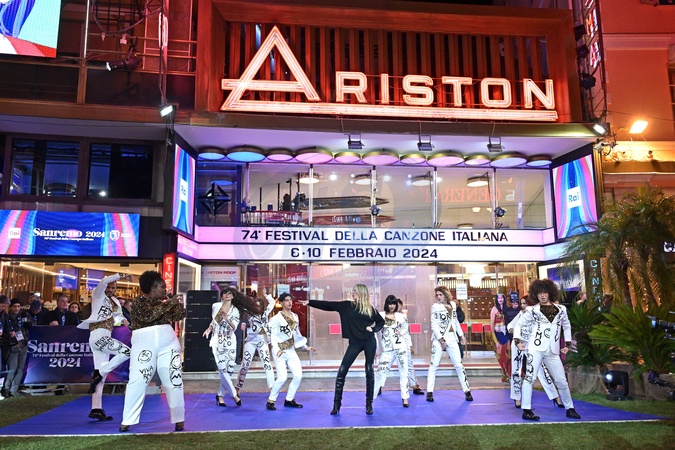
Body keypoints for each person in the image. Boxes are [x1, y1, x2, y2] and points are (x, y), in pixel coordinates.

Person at [301, 284, 384, 415]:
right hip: (355, 343)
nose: (352, 293)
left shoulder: (370, 309)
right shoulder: (347, 306)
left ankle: (369, 404)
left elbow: (381, 322)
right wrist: (310, 302)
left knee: (369, 372)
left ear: (361, 293)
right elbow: (329, 305)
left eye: (355, 291)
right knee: (342, 371)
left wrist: (373, 329)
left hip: (369, 341)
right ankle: (336, 405)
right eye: (353, 291)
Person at [120, 270, 187, 432]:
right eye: (162, 287)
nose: (165, 290)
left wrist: (174, 301)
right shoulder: (139, 302)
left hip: (168, 341)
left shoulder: (165, 302)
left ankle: (179, 418)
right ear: (152, 288)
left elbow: (180, 315)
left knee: (173, 379)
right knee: (138, 380)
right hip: (144, 342)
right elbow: (149, 316)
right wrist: (169, 303)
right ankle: (128, 419)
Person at [514, 279, 581, 421]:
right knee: (530, 378)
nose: (543, 295)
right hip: (535, 349)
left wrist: (568, 344)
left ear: (550, 293)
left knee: (561, 381)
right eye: (540, 293)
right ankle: (526, 410)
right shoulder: (532, 310)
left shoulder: (561, 309)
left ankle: (570, 408)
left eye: (545, 292)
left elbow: (566, 325)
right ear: (536, 295)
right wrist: (517, 341)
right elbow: (519, 324)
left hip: (553, 351)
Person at [78, 273, 132, 421]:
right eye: (109, 287)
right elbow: (104, 281)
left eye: (113, 288)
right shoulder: (97, 294)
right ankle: (99, 373)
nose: (110, 290)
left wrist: (125, 321)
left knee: (101, 377)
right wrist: (122, 275)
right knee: (126, 352)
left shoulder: (115, 301)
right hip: (98, 336)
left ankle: (96, 409)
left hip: (104, 337)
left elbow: (117, 317)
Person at [203, 287, 261, 407]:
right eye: (225, 293)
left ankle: (220, 395)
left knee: (229, 371)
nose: (227, 295)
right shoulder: (216, 306)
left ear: (233, 296)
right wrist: (209, 329)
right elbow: (214, 321)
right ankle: (234, 395)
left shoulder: (235, 310)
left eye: (230, 293)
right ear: (221, 296)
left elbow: (234, 327)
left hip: (230, 342)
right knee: (222, 369)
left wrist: (227, 319)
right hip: (217, 341)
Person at [507, 294, 563, 409]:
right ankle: (517, 399)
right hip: (519, 344)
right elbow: (510, 325)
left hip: (533, 345)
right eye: (521, 303)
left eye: (525, 303)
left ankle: (555, 397)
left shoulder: (537, 314)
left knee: (542, 371)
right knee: (516, 371)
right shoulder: (521, 314)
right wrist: (513, 330)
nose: (522, 306)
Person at [266, 292, 315, 411]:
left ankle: (289, 399)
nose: (289, 302)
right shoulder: (275, 319)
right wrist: (277, 350)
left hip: (291, 350)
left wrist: (304, 346)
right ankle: (271, 400)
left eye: (290, 300)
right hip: (279, 351)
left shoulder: (295, 316)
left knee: (298, 375)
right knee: (282, 377)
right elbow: (272, 336)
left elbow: (297, 334)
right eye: (286, 300)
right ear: (281, 302)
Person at [427, 286, 473, 402]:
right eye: (437, 295)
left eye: (440, 295)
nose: (438, 297)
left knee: (459, 365)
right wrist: (442, 340)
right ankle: (429, 392)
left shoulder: (453, 305)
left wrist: (461, 335)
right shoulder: (435, 307)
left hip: (452, 338)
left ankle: (467, 391)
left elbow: (455, 321)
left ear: (446, 295)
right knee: (434, 365)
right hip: (439, 339)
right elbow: (434, 325)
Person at [236, 287, 275, 395]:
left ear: (262, 306)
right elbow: (240, 307)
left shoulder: (265, 313)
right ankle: (237, 387)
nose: (257, 307)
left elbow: (272, 303)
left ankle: (272, 388)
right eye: (255, 305)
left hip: (263, 340)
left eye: (259, 305)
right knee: (245, 364)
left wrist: (266, 295)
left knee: (267, 364)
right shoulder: (249, 313)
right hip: (251, 340)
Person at [374, 295, 410, 407]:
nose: (392, 306)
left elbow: (406, 327)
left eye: (393, 304)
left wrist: (402, 332)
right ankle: (371, 397)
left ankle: (405, 397)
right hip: (387, 349)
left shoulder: (400, 316)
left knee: (404, 372)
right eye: (390, 304)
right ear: (386, 304)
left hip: (401, 347)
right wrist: (376, 349)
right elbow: (376, 333)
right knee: (380, 372)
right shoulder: (380, 315)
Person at [1, 299, 33, 397]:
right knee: (12, 368)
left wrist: (29, 323)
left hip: (23, 344)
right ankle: (6, 388)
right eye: (14, 306)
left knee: (20, 369)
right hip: (13, 345)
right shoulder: (7, 317)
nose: (17, 308)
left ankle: (14, 389)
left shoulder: (24, 315)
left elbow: (31, 323)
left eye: (18, 306)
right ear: (10, 307)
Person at [396, 298, 424, 396]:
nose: (397, 307)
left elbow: (406, 333)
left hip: (404, 344)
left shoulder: (403, 317)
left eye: (399, 305)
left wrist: (409, 346)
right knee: (386, 366)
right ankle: (379, 386)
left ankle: (414, 385)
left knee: (409, 365)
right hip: (393, 345)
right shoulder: (389, 317)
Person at [490, 293, 510, 382]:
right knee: (499, 354)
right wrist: (495, 339)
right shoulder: (494, 309)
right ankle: (504, 373)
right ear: (496, 299)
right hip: (498, 334)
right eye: (499, 298)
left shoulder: (507, 308)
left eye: (502, 298)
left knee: (507, 354)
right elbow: (492, 324)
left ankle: (508, 373)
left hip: (507, 334)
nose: (500, 299)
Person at [0, 295, 9, 399]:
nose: (3, 308)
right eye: (2, 306)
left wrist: (9, 332)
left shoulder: (4, 314)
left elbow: (6, 327)